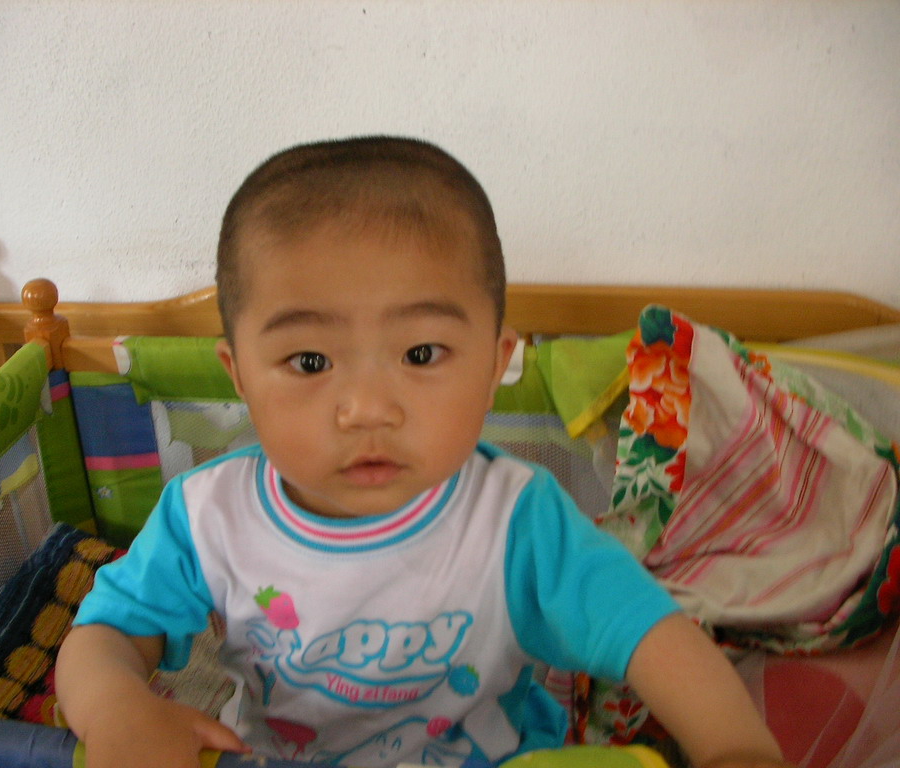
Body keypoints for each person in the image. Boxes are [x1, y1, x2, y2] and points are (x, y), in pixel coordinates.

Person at [55, 136, 788, 768]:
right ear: (238, 375)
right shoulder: (206, 515)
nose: (368, 408)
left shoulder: (515, 517)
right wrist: (117, 707)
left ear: (496, 363)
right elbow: (107, 634)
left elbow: (651, 633)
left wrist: (734, 746)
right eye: (310, 362)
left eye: (422, 352)